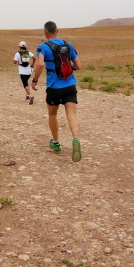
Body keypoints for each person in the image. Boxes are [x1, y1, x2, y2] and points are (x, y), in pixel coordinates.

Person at [31, 21, 82, 162]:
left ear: (45, 32)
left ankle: (56, 142)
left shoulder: (43, 47)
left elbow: (40, 64)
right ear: (57, 30)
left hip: (54, 86)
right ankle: (75, 138)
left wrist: (35, 80)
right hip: (70, 84)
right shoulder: (68, 45)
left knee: (52, 114)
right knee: (72, 114)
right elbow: (78, 65)